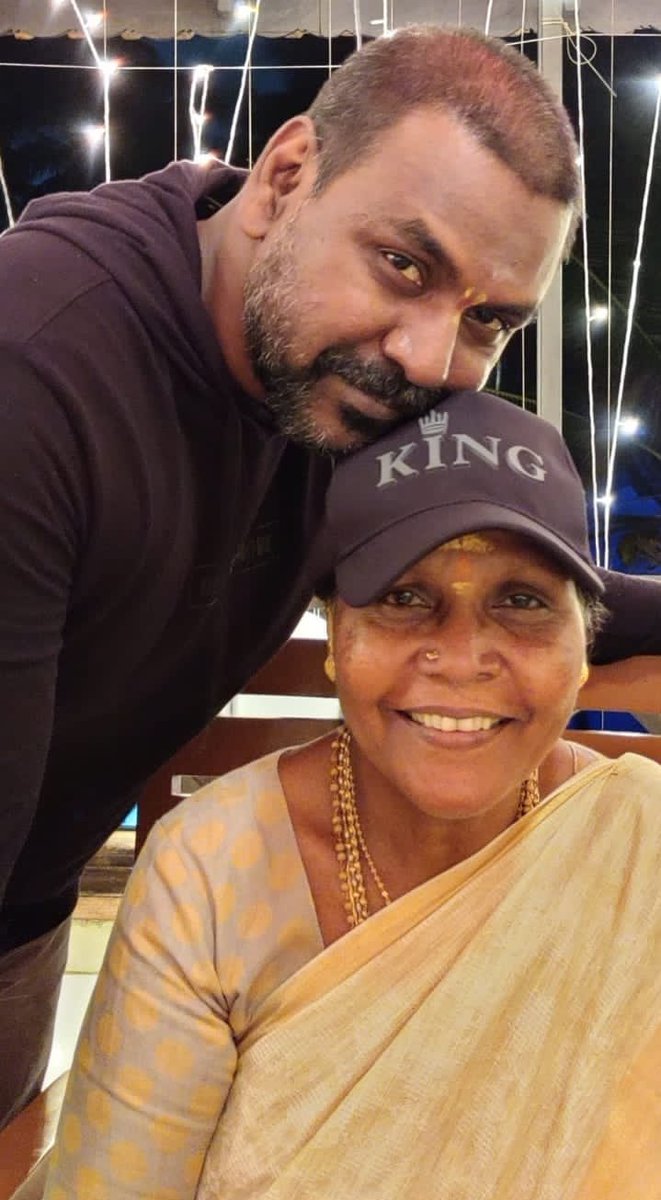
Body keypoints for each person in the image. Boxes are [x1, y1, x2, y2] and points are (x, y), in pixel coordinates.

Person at [0, 25, 659, 1130]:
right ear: (286, 174)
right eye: (404, 264)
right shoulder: (35, 372)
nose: (428, 358)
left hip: (31, 914)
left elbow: (567, 600)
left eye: (488, 321)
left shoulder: (328, 388)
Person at [44, 390, 660, 1200]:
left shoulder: (635, 844)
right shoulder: (215, 871)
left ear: (584, 648)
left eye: (522, 601)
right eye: (403, 598)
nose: (461, 659)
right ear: (334, 634)